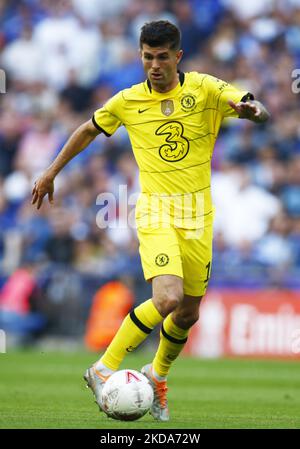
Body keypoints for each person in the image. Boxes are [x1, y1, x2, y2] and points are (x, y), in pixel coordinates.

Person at [32, 20, 270, 421]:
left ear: (177, 57)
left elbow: (252, 106)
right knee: (167, 299)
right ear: (141, 56)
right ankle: (102, 367)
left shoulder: (205, 89)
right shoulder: (127, 101)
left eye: (162, 57)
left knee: (188, 312)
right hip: (156, 211)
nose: (154, 65)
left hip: (198, 217)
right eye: (147, 57)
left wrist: (253, 111)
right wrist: (51, 171)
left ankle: (157, 375)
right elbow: (87, 130)